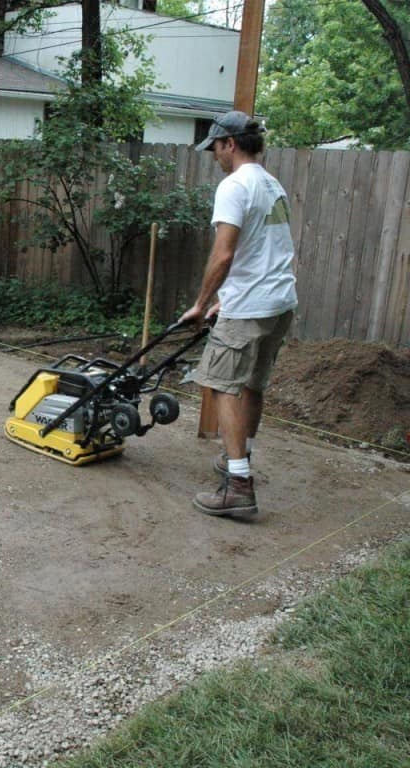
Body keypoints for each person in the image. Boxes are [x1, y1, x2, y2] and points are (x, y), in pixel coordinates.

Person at [179, 111, 298, 520]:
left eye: (215, 146)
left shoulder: (234, 185)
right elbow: (264, 250)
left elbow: (225, 252)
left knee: (221, 385)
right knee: (251, 385)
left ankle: (238, 486)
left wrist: (200, 302)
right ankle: (239, 459)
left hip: (250, 308)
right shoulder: (271, 183)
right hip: (278, 302)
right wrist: (224, 300)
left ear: (229, 143)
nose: (214, 154)